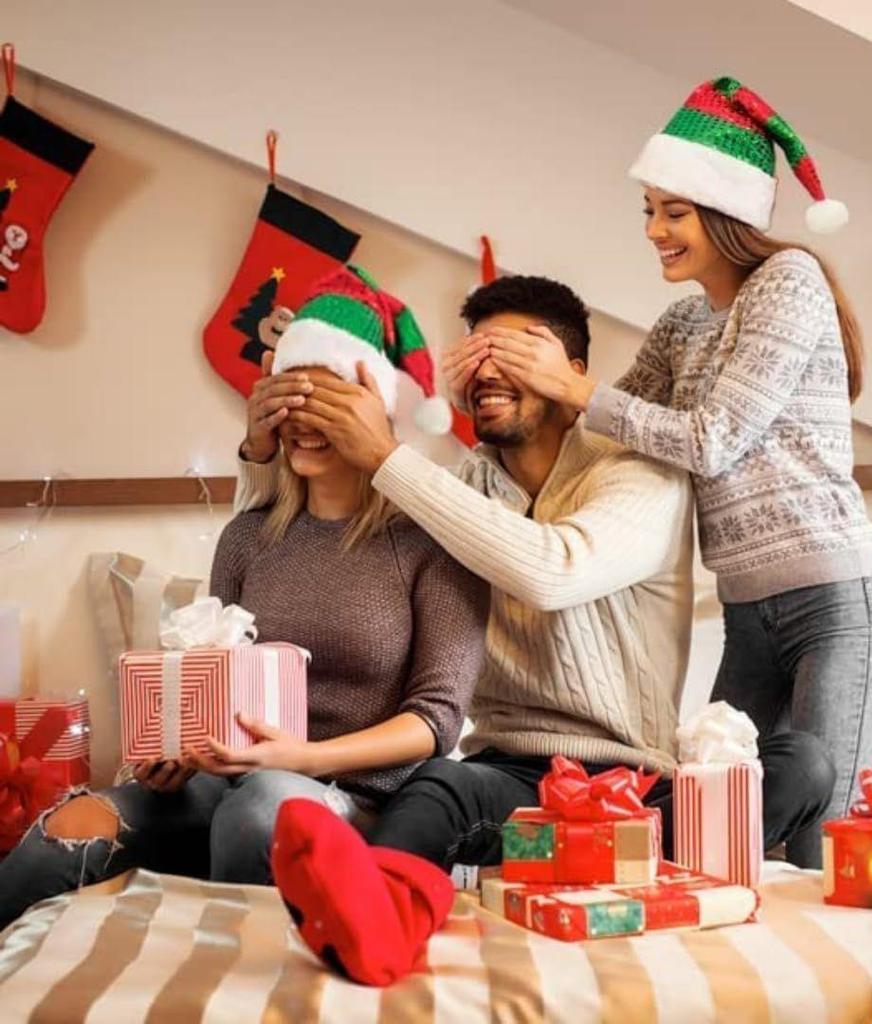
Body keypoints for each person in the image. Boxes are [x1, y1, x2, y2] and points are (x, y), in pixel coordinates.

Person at [234, 273, 837, 985]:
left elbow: (554, 572)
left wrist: (389, 457)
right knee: (436, 788)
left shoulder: (642, 472)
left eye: (522, 350)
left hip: (640, 783)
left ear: (575, 374)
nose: (494, 368)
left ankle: (643, 862)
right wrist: (262, 450)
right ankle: (382, 918)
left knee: (803, 761)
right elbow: (312, 526)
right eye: (478, 354)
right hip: (517, 778)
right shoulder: (454, 487)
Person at [448, 77, 872, 869]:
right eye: (648, 211)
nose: (654, 229)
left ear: (727, 215)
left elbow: (711, 438)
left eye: (673, 212)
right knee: (716, 820)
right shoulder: (685, 320)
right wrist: (498, 398)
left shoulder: (789, 280)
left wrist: (573, 387)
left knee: (820, 834)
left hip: (834, 600)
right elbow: (603, 434)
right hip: (748, 610)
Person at [0, 267, 487, 931]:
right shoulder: (249, 537)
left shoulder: (433, 541)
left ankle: (244, 986)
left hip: (357, 799)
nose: (301, 421)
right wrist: (174, 754)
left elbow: (436, 723)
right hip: (225, 784)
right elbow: (211, 671)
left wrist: (298, 758)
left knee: (261, 807)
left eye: (326, 400)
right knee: (70, 823)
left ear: (374, 408)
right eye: (287, 400)